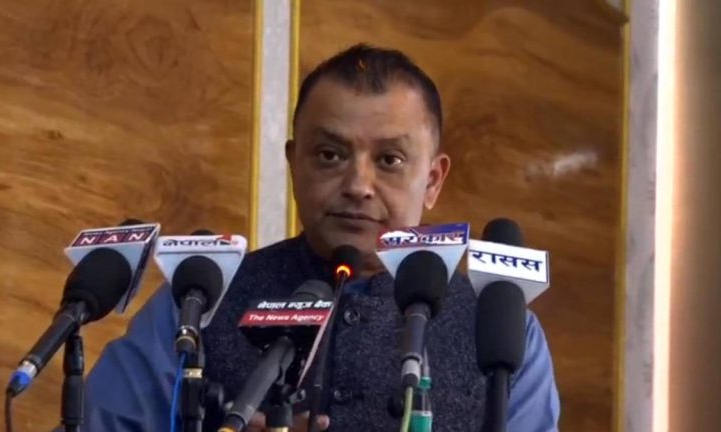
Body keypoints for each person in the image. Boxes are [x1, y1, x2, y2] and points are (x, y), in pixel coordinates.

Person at [80, 44, 560, 431]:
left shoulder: (501, 330)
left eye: (390, 160)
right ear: (293, 164)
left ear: (433, 180)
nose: (357, 185)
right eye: (330, 155)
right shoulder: (198, 302)